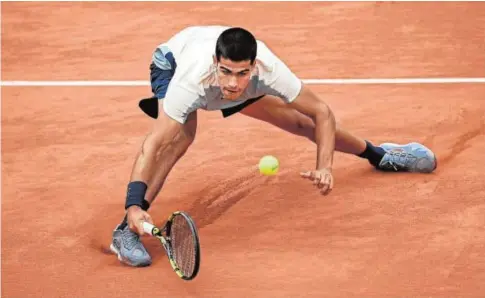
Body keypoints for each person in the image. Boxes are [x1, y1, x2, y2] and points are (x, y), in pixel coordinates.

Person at [109, 25, 437, 267]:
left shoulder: (269, 71)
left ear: (254, 66)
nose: (234, 82)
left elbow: (320, 112)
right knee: (179, 137)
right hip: (172, 64)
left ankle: (379, 155)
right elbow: (153, 144)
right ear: (215, 63)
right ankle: (128, 226)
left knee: (300, 123)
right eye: (226, 71)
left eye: (241, 73)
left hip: (220, 84)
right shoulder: (190, 80)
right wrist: (131, 203)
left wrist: (325, 166)